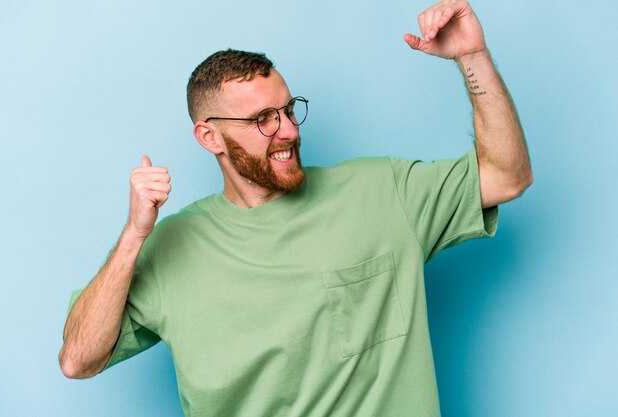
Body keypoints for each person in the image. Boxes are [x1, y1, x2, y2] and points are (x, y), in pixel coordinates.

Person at [59, 1, 532, 416]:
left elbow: (506, 176)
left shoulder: (381, 190)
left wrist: (472, 56)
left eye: (287, 110)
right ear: (209, 137)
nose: (287, 130)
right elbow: (78, 360)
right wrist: (133, 238)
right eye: (262, 119)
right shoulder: (173, 246)